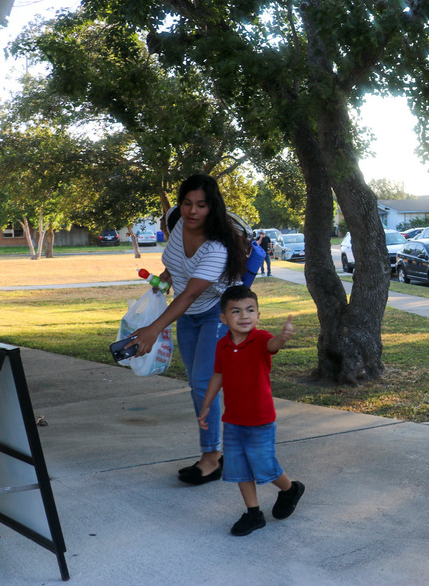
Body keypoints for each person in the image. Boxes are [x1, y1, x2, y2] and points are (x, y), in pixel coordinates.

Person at [126, 173, 248, 485]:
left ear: (213, 208)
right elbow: (178, 265)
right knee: (197, 382)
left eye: (201, 205)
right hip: (189, 314)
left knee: (203, 384)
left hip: (217, 314)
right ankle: (217, 452)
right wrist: (167, 275)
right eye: (187, 203)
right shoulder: (178, 222)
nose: (192, 211)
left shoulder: (217, 248)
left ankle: (212, 457)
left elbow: (192, 292)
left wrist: (153, 329)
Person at [197, 285, 304, 536]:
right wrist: (206, 405)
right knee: (238, 467)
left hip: (260, 419)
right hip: (233, 420)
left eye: (250, 310)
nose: (244, 316)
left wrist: (283, 336)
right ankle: (253, 513)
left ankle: (290, 489)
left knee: (264, 465)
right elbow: (217, 375)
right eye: (236, 311)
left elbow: (273, 344)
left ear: (258, 315)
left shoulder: (262, 339)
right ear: (224, 319)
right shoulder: (222, 346)